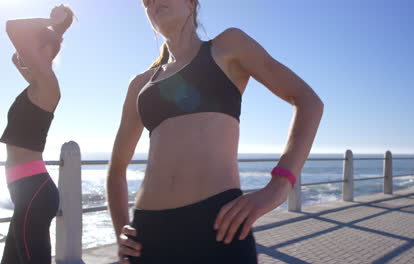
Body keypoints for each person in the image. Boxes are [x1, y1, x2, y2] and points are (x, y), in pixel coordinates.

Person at [107, 0, 324, 263]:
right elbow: (117, 168)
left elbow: (308, 101)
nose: (153, 2)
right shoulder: (140, 84)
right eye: (146, 1)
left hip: (218, 226)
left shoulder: (227, 47)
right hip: (148, 235)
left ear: (191, 3)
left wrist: (278, 187)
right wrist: (122, 232)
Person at [0, 5, 74, 264]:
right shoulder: (36, 84)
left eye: (32, 47)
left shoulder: (47, 83)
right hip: (25, 194)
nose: (24, 53)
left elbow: (12, 28)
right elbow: (14, 57)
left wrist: (52, 22)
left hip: (33, 194)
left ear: (46, 51)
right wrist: (56, 27)